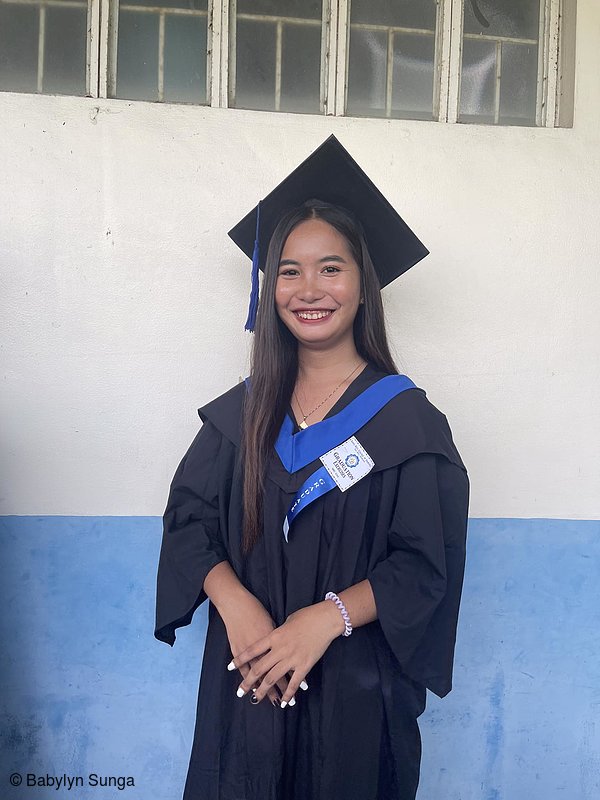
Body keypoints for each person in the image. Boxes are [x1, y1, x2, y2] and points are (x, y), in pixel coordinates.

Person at [154, 135, 470, 800]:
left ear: (364, 285)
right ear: (270, 290)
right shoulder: (241, 417)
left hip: (357, 695)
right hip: (249, 687)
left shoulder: (407, 424)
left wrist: (324, 620)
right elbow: (188, 522)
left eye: (331, 269)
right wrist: (234, 603)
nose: (308, 289)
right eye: (290, 271)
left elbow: (422, 566)